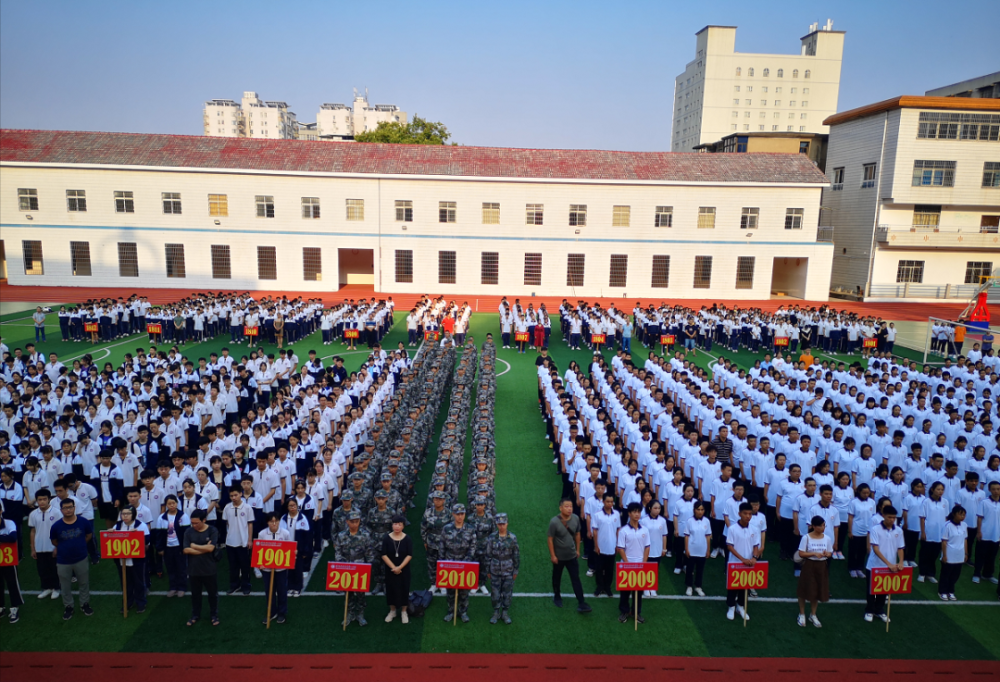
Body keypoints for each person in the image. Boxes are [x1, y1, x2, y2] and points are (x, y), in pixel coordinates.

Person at [50, 497, 94, 620]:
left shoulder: (83, 522)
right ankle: (68, 606)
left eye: (70, 507)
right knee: (65, 585)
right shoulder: (56, 526)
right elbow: (54, 541)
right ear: (61, 510)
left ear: (74, 508)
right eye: (65, 508)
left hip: (81, 558)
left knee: (84, 582)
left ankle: (84, 604)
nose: (68, 510)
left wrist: (79, 544)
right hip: (63, 560)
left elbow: (89, 535)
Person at [547, 498, 592, 613]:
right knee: (556, 578)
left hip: (571, 556)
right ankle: (557, 596)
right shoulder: (554, 522)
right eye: (566, 506)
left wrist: (577, 550)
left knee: (575, 578)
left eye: (571, 506)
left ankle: (581, 602)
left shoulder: (576, 519)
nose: (569, 508)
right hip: (559, 557)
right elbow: (550, 539)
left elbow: (577, 534)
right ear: (560, 508)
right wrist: (553, 556)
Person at [865, 504, 905, 623]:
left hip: (891, 566)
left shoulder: (898, 530)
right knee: (872, 590)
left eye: (894, 517)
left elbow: (900, 548)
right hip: (874, 565)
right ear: (883, 516)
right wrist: (888, 563)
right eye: (889, 517)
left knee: (884, 589)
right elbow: (876, 549)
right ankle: (869, 610)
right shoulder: (875, 529)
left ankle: (879, 610)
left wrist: (901, 562)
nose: (892, 520)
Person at [438, 503, 477, 623]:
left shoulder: (470, 529)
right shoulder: (447, 528)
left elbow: (473, 546)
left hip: (465, 563)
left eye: (462, 514)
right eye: (458, 514)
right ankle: (451, 611)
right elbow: (442, 546)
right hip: (450, 563)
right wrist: (443, 562)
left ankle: (463, 612)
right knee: (450, 590)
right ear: (453, 514)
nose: (460, 516)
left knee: (464, 591)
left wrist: (467, 561)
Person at [336, 510, 374, 627]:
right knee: (348, 592)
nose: (354, 524)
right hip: (346, 567)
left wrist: (369, 567)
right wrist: (341, 565)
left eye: (356, 521)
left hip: (361, 567)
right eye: (352, 522)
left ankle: (360, 614)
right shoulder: (341, 536)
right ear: (347, 522)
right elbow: (338, 552)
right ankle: (350, 613)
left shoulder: (365, 535)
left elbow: (369, 553)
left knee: (361, 593)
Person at [183, 509, 220, 626]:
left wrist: (194, 546)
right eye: (192, 523)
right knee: (195, 594)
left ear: (204, 520)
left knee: (212, 594)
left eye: (196, 523)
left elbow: (211, 549)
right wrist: (203, 548)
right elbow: (185, 550)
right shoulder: (188, 532)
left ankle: (214, 615)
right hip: (194, 570)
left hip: (209, 569)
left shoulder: (212, 530)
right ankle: (195, 614)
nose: (194, 525)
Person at [725, 502, 760, 621]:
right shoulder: (732, 529)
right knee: (733, 586)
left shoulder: (754, 529)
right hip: (735, 563)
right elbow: (730, 546)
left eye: (750, 514)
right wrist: (742, 559)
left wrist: (754, 558)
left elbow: (756, 545)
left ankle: (741, 606)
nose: (748, 516)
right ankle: (731, 606)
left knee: (744, 586)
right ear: (739, 514)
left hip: (748, 563)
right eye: (745, 514)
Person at [617, 502, 650, 623]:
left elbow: (647, 547)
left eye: (639, 512)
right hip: (627, 564)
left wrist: (644, 562)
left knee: (638, 591)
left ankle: (636, 612)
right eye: (634, 512)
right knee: (625, 591)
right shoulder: (623, 531)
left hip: (640, 564)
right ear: (629, 513)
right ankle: (624, 611)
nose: (637, 514)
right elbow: (620, 548)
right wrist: (627, 563)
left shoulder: (645, 530)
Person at [796, 515, 833, 627]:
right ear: (814, 526)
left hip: (821, 566)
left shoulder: (827, 538)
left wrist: (827, 554)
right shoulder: (806, 537)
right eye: (821, 526)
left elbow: (830, 552)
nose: (823, 528)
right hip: (809, 565)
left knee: (817, 590)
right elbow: (801, 553)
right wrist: (814, 554)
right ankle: (801, 614)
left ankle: (813, 614)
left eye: (824, 525)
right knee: (804, 589)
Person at [112, 505, 150, 613]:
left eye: (128, 514)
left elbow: (147, 542)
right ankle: (127, 603)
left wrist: (137, 535)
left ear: (133, 514)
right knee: (125, 582)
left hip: (136, 561)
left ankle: (141, 603)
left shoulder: (141, 525)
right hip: (121, 560)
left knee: (138, 582)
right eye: (123, 514)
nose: (125, 516)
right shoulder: (117, 526)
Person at [485, 512, 519, 624]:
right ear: (496, 524)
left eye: (503, 524)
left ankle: (505, 612)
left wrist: (515, 570)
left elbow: (516, 555)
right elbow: (488, 554)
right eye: (499, 524)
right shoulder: (491, 538)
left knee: (507, 593)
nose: (501, 526)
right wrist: (488, 570)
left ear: (507, 524)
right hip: (494, 570)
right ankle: (496, 612)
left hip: (508, 570)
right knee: (495, 593)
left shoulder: (512, 538)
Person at [28, 488, 61, 601]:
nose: (42, 502)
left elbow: (59, 531)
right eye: (39, 500)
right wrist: (33, 548)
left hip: (52, 547)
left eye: (44, 499)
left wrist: (57, 546)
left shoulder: (56, 512)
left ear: (49, 499)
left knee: (54, 569)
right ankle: (46, 587)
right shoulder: (33, 514)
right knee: (42, 569)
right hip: (39, 547)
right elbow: (32, 531)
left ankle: (56, 588)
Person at [154, 494, 190, 598]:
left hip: (179, 546)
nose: (171, 505)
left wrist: (185, 547)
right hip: (167, 547)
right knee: (170, 568)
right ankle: (173, 587)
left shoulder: (183, 516)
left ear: (177, 504)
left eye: (173, 503)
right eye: (169, 504)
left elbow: (186, 534)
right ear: (166, 505)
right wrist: (160, 548)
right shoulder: (162, 517)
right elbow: (159, 534)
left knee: (181, 567)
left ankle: (182, 587)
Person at [258, 512, 290, 624]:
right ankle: (271, 612)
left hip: (281, 568)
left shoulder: (285, 533)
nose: (274, 523)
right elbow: (259, 551)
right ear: (268, 522)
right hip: (267, 569)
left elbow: (289, 549)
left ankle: (282, 612)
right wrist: (260, 564)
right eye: (271, 521)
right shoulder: (262, 534)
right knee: (269, 590)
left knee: (282, 590)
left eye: (276, 521)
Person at [380, 514, 413, 624]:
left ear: (403, 526)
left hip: (404, 569)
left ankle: (404, 611)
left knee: (404, 588)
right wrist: (394, 567)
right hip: (390, 569)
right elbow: (384, 554)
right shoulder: (387, 538)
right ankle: (392, 611)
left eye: (399, 524)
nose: (397, 526)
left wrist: (400, 567)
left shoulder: (407, 538)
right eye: (395, 524)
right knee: (391, 589)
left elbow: (409, 555)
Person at [222, 487, 254, 596]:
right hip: (230, 542)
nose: (234, 498)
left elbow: (250, 524)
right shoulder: (227, 507)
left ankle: (246, 585)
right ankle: (234, 585)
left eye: (235, 495)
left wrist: (249, 539)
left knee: (245, 566)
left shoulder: (247, 507)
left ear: (241, 494)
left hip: (243, 542)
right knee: (233, 566)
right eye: (231, 496)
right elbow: (227, 523)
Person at [0, 507, 24, 623]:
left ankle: (14, 607)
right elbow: (8, 538)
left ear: (1, 512)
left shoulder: (9, 523)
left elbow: (13, 537)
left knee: (12, 583)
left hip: (8, 560)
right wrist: (4, 539)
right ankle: (1, 607)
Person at [940, 505, 967, 601]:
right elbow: (944, 541)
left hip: (959, 555)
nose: (962, 517)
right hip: (949, 554)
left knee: (955, 575)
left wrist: (966, 554)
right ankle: (942, 591)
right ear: (954, 514)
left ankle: (950, 591)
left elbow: (965, 540)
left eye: (964, 515)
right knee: (946, 574)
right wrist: (944, 555)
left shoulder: (964, 525)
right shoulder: (947, 525)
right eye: (960, 514)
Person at [684, 500, 711, 596]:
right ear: (694, 510)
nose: (700, 511)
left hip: (702, 550)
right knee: (690, 569)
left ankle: (698, 586)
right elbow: (686, 536)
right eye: (698, 509)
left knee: (700, 570)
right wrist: (686, 549)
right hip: (692, 549)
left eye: (702, 509)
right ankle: (689, 586)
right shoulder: (689, 521)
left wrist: (708, 550)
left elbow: (708, 536)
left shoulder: (707, 521)